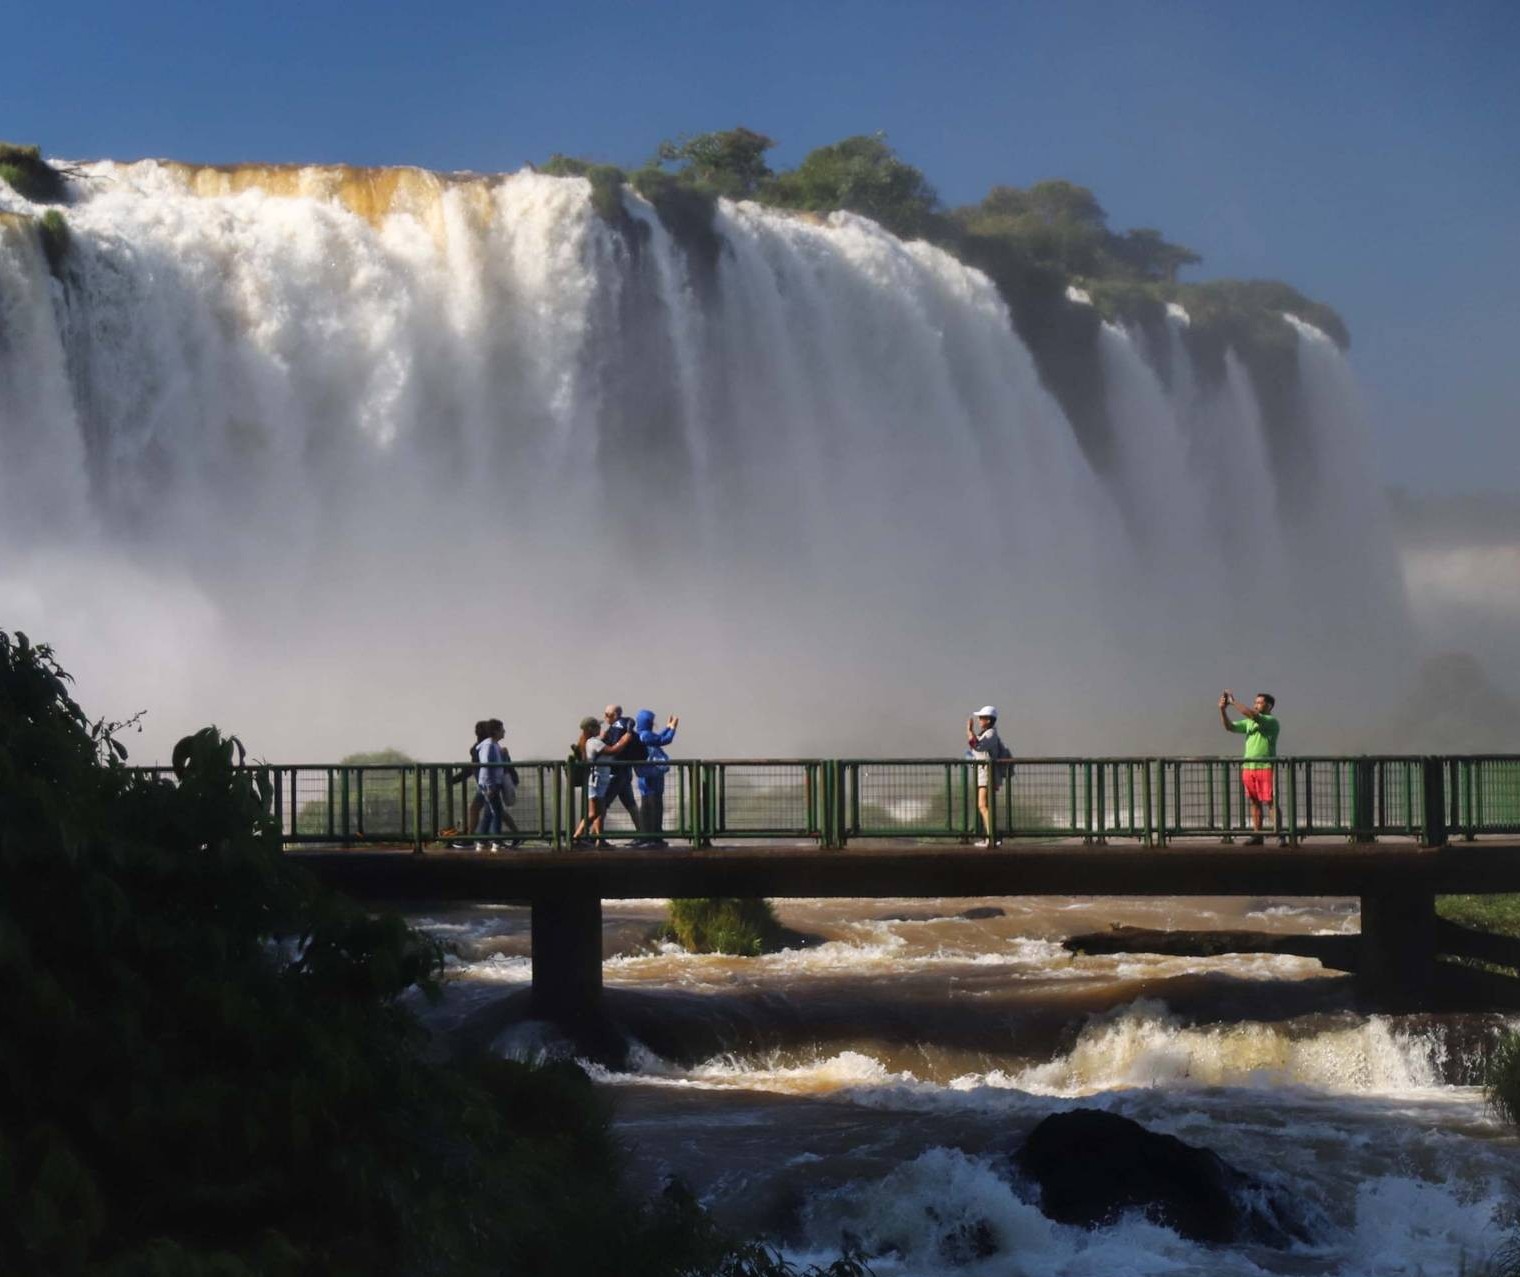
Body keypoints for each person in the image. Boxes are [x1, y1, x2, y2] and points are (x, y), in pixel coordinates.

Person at [1219, 690, 1280, 844]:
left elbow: (1252, 714)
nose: (1256, 705)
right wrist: (1222, 710)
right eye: (1255, 702)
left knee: (1270, 801)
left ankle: (1280, 835)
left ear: (1269, 706)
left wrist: (1233, 702)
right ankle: (1257, 835)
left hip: (1265, 765)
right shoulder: (1249, 723)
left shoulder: (1270, 721)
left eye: (1259, 702)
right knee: (1254, 801)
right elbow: (1230, 727)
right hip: (1249, 766)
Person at [629, 709, 679, 848]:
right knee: (654, 805)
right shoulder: (645, 736)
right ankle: (654, 837)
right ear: (648, 722)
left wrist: (667, 727)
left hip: (645, 775)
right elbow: (664, 740)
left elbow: (656, 738)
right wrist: (673, 728)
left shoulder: (641, 735)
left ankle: (646, 836)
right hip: (653, 775)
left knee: (647, 805)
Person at [600, 704, 645, 836]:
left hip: (615, 773)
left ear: (614, 715)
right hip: (626, 772)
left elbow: (614, 749)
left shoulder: (616, 728)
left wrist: (603, 740)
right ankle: (643, 835)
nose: (605, 717)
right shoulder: (626, 724)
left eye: (607, 715)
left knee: (602, 804)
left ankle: (595, 837)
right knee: (631, 805)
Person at [474, 719, 520, 844]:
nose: (504, 731)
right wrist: (489, 787)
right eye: (501, 729)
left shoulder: (494, 745)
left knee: (489, 814)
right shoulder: (489, 746)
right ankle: (496, 841)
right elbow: (487, 766)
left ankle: (482, 841)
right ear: (495, 731)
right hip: (491, 785)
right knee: (498, 813)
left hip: (494, 784)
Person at [965, 705, 1005, 848]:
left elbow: (977, 746)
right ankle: (992, 836)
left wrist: (969, 731)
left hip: (987, 774)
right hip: (984, 774)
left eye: (981, 717)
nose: (979, 720)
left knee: (983, 805)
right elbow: (975, 747)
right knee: (985, 805)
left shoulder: (990, 734)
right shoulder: (987, 733)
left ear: (988, 720)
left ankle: (991, 837)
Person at [571, 716, 612, 846]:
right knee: (594, 813)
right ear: (591, 729)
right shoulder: (593, 742)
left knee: (599, 811)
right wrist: (626, 737)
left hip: (595, 780)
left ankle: (599, 839)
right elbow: (613, 750)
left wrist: (603, 740)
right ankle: (576, 836)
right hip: (596, 781)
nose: (600, 728)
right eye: (597, 727)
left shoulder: (587, 742)